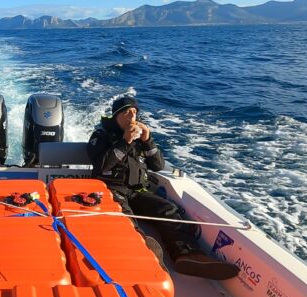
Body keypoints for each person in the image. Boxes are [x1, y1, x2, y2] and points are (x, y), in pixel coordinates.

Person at [87, 96, 240, 280]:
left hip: (138, 190)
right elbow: (101, 166)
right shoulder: (101, 135)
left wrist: (148, 140)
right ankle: (144, 253)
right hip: (111, 189)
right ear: (115, 116)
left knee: (168, 210)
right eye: (126, 112)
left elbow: (158, 165)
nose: (132, 116)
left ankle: (188, 255)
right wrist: (125, 141)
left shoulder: (139, 137)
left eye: (134, 112)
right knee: (124, 220)